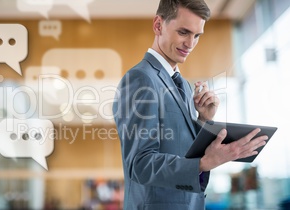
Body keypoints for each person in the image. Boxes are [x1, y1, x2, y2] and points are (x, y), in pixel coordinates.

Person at [112, 0, 269, 209]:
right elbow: (139, 164)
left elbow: (182, 149)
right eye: (183, 32)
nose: (190, 43)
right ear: (158, 25)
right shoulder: (140, 79)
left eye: (197, 35)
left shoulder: (184, 86)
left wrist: (204, 119)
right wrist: (203, 164)